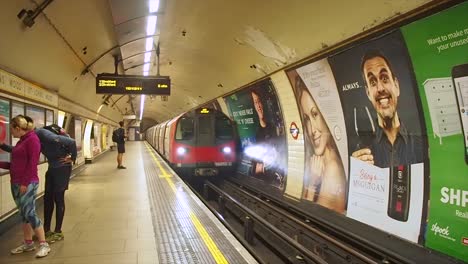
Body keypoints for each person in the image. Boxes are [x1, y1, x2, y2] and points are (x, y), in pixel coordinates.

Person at [351, 50, 423, 168]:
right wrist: (357, 172)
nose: (380, 88)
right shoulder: (362, 150)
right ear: (368, 93)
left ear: (397, 86)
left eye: (384, 78)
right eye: (373, 82)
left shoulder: (420, 145)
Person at [293, 75, 347, 213]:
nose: (312, 130)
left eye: (315, 114)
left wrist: (311, 184)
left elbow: (311, 219)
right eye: (306, 119)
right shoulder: (321, 161)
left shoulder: (332, 169)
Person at [0, 115, 50, 258]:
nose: (11, 133)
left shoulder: (33, 140)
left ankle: (43, 244)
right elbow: (15, 165)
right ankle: (28, 243)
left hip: (27, 183)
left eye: (12, 130)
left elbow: (31, 164)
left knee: (30, 213)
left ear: (18, 128)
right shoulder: (21, 141)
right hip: (15, 182)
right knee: (23, 215)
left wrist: (24, 183)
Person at [35, 123, 77, 244]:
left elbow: (72, 142)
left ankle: (58, 231)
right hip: (52, 169)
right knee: (47, 198)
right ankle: (46, 230)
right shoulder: (34, 139)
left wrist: (72, 158)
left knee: (58, 199)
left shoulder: (43, 134)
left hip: (62, 169)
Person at [249, 88, 285, 187]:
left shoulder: (276, 128)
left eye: (260, 101)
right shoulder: (257, 132)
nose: (259, 106)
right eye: (256, 102)